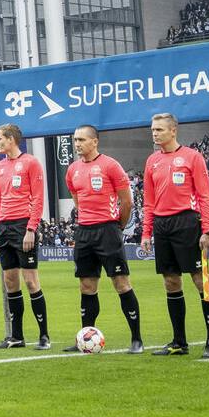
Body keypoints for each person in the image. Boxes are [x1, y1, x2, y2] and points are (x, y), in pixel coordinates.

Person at [143, 112, 209, 358]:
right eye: (153, 130)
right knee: (171, 281)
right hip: (162, 225)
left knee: (201, 279)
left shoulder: (192, 157)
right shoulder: (152, 161)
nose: (155, 133)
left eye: (159, 130)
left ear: (173, 131)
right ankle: (179, 342)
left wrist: (207, 229)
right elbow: (148, 201)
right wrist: (146, 232)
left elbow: (205, 195)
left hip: (187, 223)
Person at [63, 125, 141, 354]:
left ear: (95, 141)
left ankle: (137, 339)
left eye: (82, 140)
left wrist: (118, 226)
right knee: (86, 286)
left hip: (108, 230)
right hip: (84, 232)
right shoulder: (73, 170)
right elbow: (78, 199)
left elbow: (127, 202)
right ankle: (85, 339)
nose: (77, 144)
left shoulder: (111, 166)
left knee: (121, 283)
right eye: (75, 140)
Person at [0, 125, 46, 349]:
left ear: (11, 139)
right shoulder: (0, 167)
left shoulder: (31, 162)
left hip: (23, 226)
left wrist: (31, 228)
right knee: (10, 281)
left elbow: (39, 198)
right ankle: (17, 336)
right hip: (4, 228)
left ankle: (44, 336)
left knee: (31, 281)